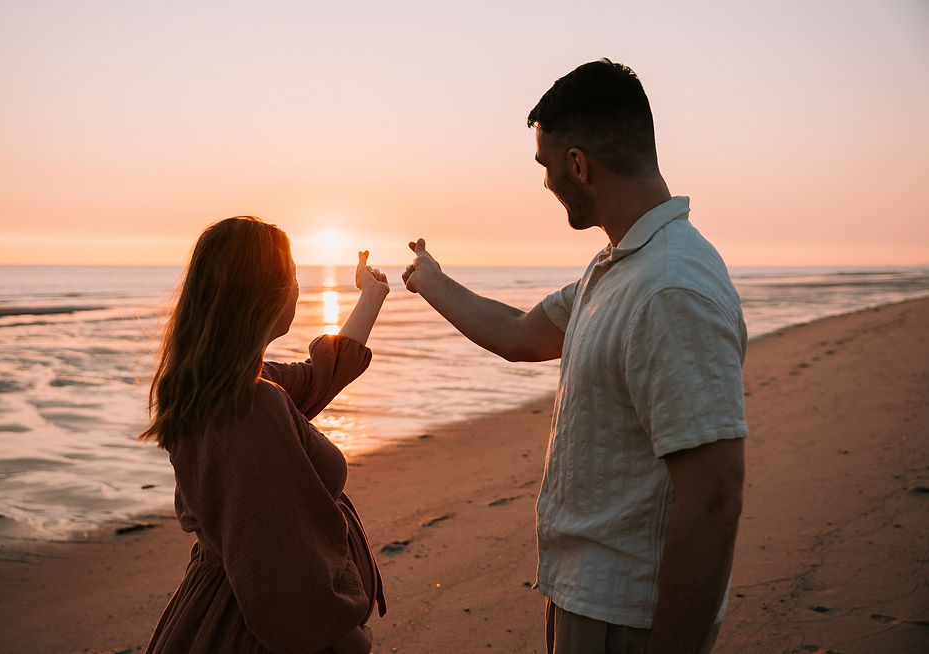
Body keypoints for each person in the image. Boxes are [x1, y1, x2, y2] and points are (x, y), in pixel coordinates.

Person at [402, 59, 746, 654]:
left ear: (579, 164)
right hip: (586, 596)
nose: (544, 183)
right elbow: (517, 334)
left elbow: (714, 497)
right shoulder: (618, 267)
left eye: (546, 164)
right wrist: (429, 280)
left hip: (630, 613)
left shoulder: (668, 289)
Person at [140, 216, 388, 654]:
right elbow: (276, 561)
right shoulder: (250, 404)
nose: (297, 290)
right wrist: (350, 641)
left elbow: (319, 379)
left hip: (220, 607)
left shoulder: (216, 384)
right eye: (291, 277)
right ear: (266, 292)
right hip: (246, 629)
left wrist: (371, 296)